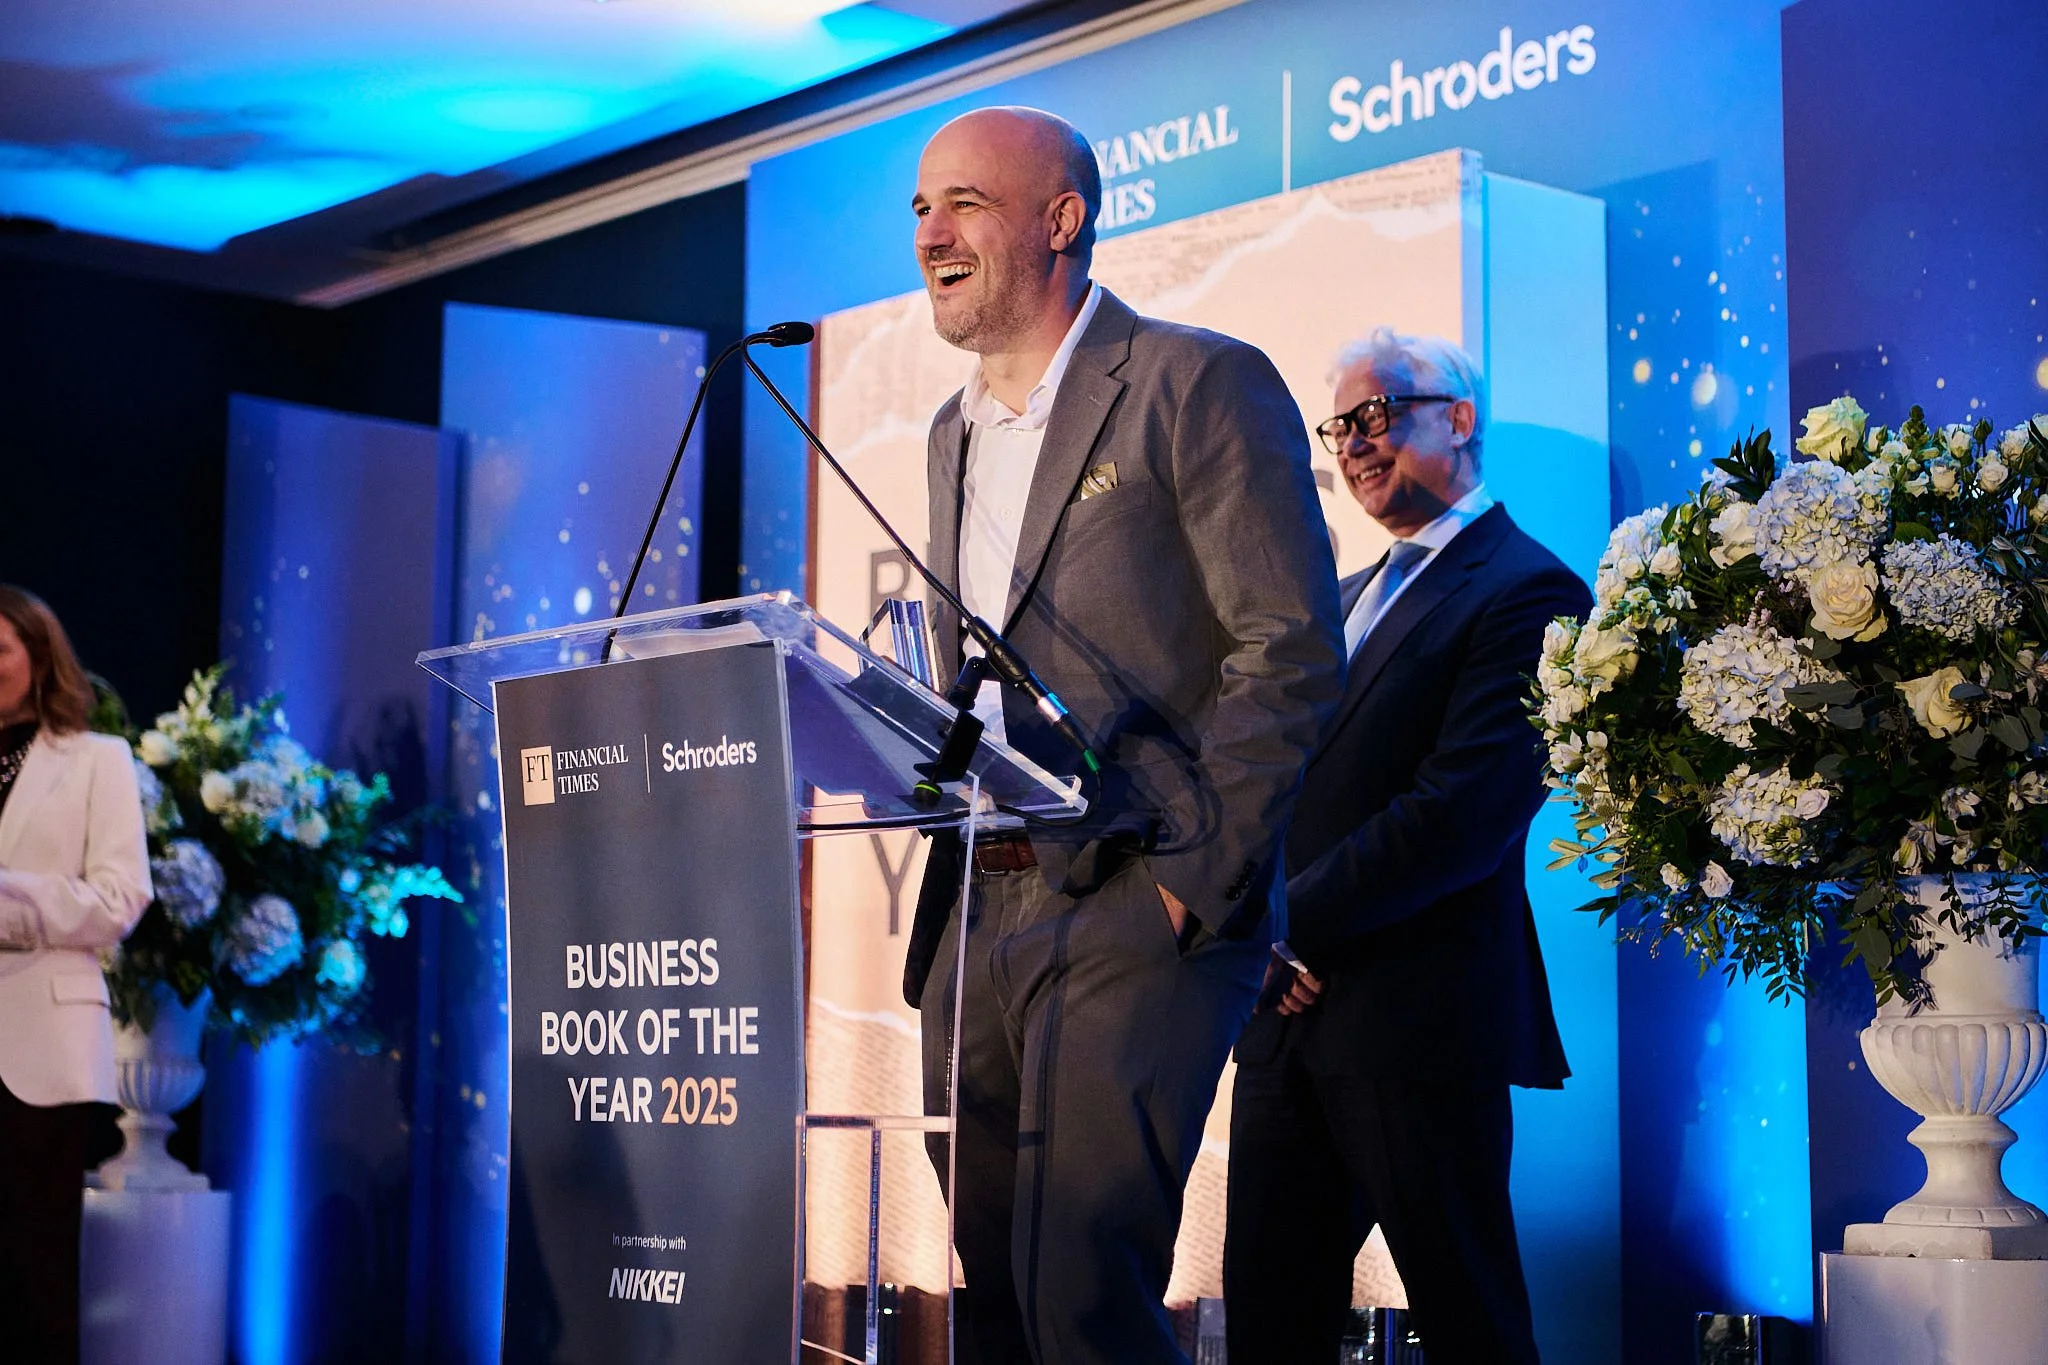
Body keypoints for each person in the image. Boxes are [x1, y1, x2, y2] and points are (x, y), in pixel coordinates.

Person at [898, 107, 1344, 1364]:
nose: (931, 233)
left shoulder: (1192, 382)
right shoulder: (947, 432)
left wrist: (1191, 888)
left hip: (1132, 895)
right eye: (921, 208)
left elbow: (1289, 646)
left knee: (1082, 1299)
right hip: (974, 905)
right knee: (997, 1303)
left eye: (966, 203)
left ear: (1062, 220)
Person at [1222, 330, 1590, 1364]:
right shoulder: (1337, 599)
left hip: (1417, 1020)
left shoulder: (1529, 589)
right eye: (1338, 425)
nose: (1353, 442)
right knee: (1267, 1327)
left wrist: (1285, 924)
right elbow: (1275, 788)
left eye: (1377, 413)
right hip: (1285, 1019)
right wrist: (1253, 931)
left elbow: (1457, 815)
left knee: (1470, 1323)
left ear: (1459, 419)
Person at [0, 585, 152, 1365]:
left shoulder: (97, 759)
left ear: (38, 655)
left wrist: (9, 904)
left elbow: (122, 897)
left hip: (42, 1047)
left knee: (35, 1272)